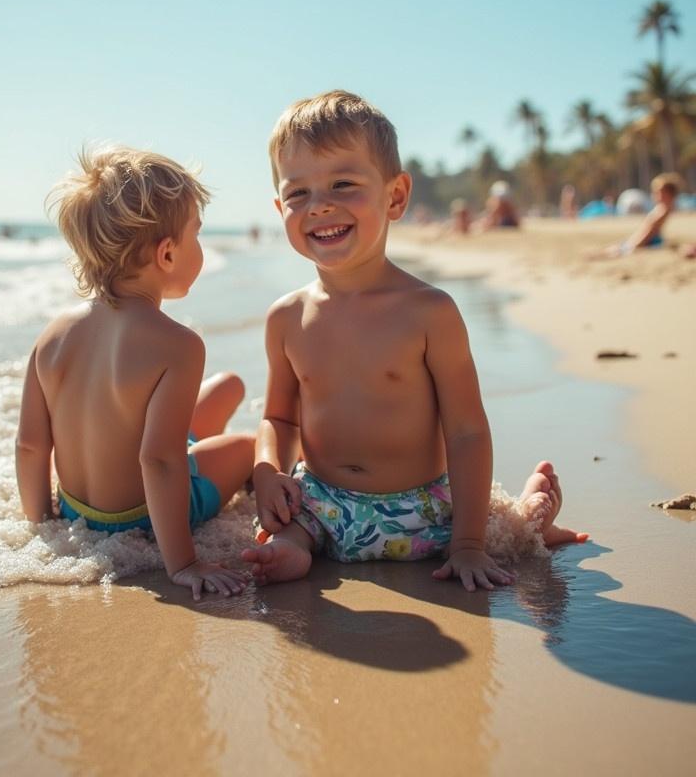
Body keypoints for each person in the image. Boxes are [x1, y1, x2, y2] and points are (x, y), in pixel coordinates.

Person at [242, 91, 585, 592]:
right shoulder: (286, 318)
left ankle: (531, 511)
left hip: (425, 510)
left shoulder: (429, 312)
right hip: (322, 504)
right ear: (279, 208)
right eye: (298, 194)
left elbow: (466, 430)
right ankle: (292, 551)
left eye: (343, 183)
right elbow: (279, 417)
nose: (320, 206)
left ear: (395, 196)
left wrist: (468, 544)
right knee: (285, 535)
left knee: (506, 534)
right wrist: (268, 470)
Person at [16, 146, 255, 599]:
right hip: (144, 512)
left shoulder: (52, 335)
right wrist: (183, 561)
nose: (201, 247)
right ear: (167, 254)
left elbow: (30, 446)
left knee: (228, 387)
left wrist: (43, 527)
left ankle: (199, 451)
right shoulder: (178, 345)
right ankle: (215, 465)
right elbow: (158, 460)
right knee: (248, 445)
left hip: (75, 511)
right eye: (196, 235)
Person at [590, 173, 682, 259]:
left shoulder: (662, 210)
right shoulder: (661, 208)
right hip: (644, 239)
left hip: (647, 241)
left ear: (669, 194)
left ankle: (594, 255)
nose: (654, 195)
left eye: (659, 192)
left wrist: (635, 245)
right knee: (612, 249)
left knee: (612, 251)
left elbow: (650, 231)